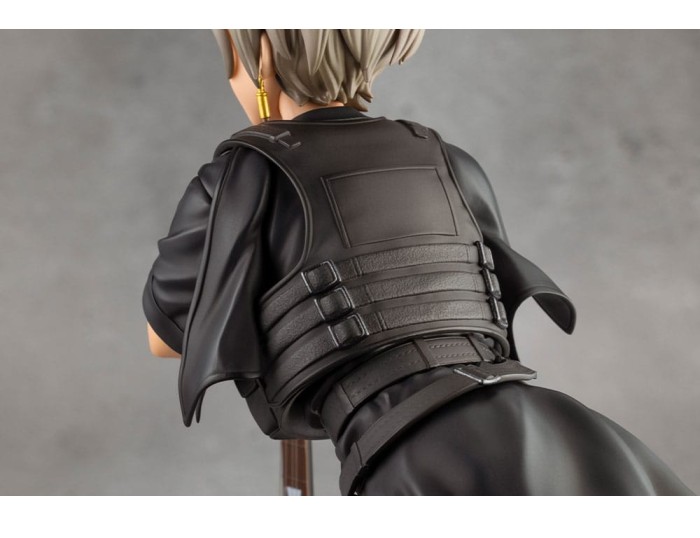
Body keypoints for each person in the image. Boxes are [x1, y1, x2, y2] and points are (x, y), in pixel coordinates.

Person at [143, 30, 693, 495]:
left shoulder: (244, 177)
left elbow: (167, 336)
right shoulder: (449, 160)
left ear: (260, 53)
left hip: (416, 454)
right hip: (561, 429)